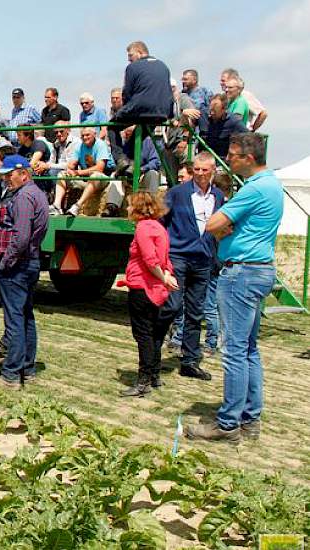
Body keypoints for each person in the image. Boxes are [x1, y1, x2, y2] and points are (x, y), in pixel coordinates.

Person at [187, 133, 283, 443]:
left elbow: (212, 224)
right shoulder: (273, 184)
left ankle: (227, 424)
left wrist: (222, 230)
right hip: (260, 271)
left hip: (240, 273)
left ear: (248, 158)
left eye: (232, 154)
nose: (227, 159)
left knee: (234, 352)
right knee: (249, 349)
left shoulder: (254, 189)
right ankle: (250, 419)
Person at [161, 152, 226, 383]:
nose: (199, 173)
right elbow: (161, 221)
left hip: (202, 260)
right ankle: (152, 353)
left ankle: (190, 360)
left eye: (204, 170)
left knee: (196, 312)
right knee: (172, 305)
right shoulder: (177, 193)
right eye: (196, 169)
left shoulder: (218, 196)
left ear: (213, 171)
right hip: (178, 256)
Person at [0, 155, 49, 389]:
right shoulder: (37, 194)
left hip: (18, 265)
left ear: (23, 173)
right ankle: (27, 367)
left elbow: (21, 236)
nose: (6, 180)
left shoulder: (24, 197)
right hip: (29, 262)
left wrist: (6, 262)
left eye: (9, 175)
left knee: (15, 319)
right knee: (25, 316)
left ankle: (12, 372)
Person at [119, 191, 179, 397]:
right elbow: (165, 259)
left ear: (137, 209)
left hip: (142, 286)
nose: (127, 209)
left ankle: (143, 380)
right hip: (155, 290)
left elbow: (150, 259)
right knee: (154, 333)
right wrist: (168, 275)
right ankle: (154, 374)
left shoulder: (143, 228)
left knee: (143, 334)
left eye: (129, 205)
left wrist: (163, 277)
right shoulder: (159, 228)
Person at [109, 41, 173, 173]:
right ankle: (129, 163)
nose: (129, 59)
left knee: (112, 126)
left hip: (141, 110)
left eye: (130, 55)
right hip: (162, 113)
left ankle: (120, 160)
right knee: (141, 132)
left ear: (139, 52)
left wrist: (122, 111)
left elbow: (127, 93)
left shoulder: (133, 68)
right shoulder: (164, 66)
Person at [51, 127, 120, 217]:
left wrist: (77, 173)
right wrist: (70, 169)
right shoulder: (79, 146)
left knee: (95, 175)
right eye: (82, 136)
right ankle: (57, 205)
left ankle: (77, 206)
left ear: (94, 135)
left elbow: (100, 168)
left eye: (87, 135)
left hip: (104, 179)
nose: (85, 137)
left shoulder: (101, 145)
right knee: (62, 174)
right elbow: (71, 164)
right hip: (87, 180)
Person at [200, 93, 247, 160]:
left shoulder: (234, 122)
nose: (212, 113)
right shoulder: (203, 115)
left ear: (224, 109)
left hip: (222, 162)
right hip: (203, 159)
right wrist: (185, 114)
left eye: (215, 111)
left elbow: (250, 139)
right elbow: (187, 125)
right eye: (211, 110)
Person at [120, 125, 162, 193]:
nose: (128, 137)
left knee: (153, 174)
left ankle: (151, 201)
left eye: (130, 134)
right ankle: (112, 203)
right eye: (126, 134)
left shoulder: (149, 141)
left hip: (143, 173)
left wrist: (141, 169)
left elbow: (155, 162)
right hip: (127, 175)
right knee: (115, 177)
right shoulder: (123, 144)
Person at [15, 126, 52, 192]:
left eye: (19, 135)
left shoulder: (39, 144)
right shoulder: (22, 149)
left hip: (42, 176)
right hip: (29, 175)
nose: (17, 138)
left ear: (27, 136)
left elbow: (32, 164)